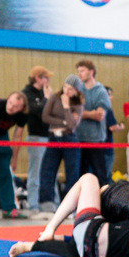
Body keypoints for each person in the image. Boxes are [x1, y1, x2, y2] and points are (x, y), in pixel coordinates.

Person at [39, 76, 84, 204]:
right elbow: (45, 117)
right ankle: (47, 203)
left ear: (76, 91)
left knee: (72, 172)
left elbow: (72, 125)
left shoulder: (78, 104)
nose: (66, 91)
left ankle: (69, 204)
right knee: (47, 169)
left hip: (69, 138)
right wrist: (63, 121)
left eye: (71, 89)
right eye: (65, 87)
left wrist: (66, 107)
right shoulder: (54, 97)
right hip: (53, 137)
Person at [74, 60, 112, 185]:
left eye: (82, 71)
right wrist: (90, 113)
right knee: (80, 175)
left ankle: (104, 202)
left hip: (95, 139)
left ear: (91, 72)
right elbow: (73, 114)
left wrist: (82, 114)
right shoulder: (78, 91)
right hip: (79, 138)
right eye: (78, 71)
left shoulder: (100, 91)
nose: (80, 74)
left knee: (100, 174)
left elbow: (100, 115)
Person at [21, 66, 53, 215]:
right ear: (38, 78)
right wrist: (47, 99)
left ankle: (49, 203)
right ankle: (33, 205)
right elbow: (35, 111)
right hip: (36, 136)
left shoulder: (44, 93)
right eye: (46, 78)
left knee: (48, 171)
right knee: (35, 172)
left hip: (48, 135)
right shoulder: (27, 93)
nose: (48, 81)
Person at [102, 86, 125, 181]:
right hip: (106, 147)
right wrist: (121, 127)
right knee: (106, 175)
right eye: (109, 95)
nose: (111, 97)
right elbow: (113, 127)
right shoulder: (107, 109)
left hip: (96, 147)